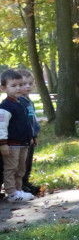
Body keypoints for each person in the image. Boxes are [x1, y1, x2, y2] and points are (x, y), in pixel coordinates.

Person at [0, 69, 34, 202]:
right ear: (3, 88)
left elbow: (26, 123)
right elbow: (1, 126)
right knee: (11, 168)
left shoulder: (21, 103)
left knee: (21, 168)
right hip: (12, 144)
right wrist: (3, 143)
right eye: (13, 86)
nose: (18, 88)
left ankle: (19, 190)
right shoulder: (6, 106)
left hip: (23, 143)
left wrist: (31, 136)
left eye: (20, 85)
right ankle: (11, 193)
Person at [17, 69, 41, 195]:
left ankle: (26, 182)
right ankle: (19, 185)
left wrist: (35, 135)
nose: (27, 86)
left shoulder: (29, 101)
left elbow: (33, 120)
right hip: (21, 139)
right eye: (23, 84)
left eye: (30, 83)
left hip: (30, 138)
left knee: (28, 162)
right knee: (21, 163)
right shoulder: (18, 102)